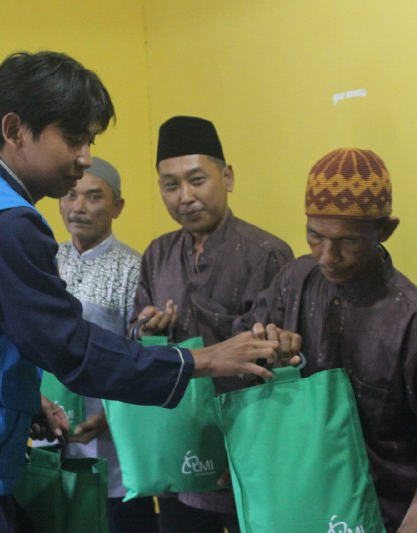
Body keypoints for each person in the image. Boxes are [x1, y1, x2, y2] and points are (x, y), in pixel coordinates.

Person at [0, 52, 299, 533]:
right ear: (15, 130)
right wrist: (202, 360)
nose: (85, 158)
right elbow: (70, 347)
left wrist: (22, 399)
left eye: (91, 141)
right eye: (74, 139)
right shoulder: (8, 223)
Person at [235, 147, 417, 532]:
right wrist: (264, 351)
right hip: (300, 508)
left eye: (348, 241)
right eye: (314, 236)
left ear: (386, 230)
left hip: (383, 517)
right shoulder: (293, 282)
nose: (327, 255)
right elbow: (245, 369)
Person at [133, 115, 295, 533]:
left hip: (242, 457)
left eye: (196, 180)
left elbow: (279, 369)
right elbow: (133, 343)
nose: (184, 196)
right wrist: (147, 330)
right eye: (171, 185)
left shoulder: (267, 254)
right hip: (177, 453)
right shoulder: (157, 255)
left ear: (227, 177)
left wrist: (250, 448)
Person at [53, 156, 158, 532]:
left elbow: (143, 356)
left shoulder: (135, 268)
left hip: (115, 448)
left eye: (94, 197)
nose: (78, 207)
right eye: (70, 195)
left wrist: (111, 419)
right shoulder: (46, 262)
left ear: (118, 206)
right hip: (51, 439)